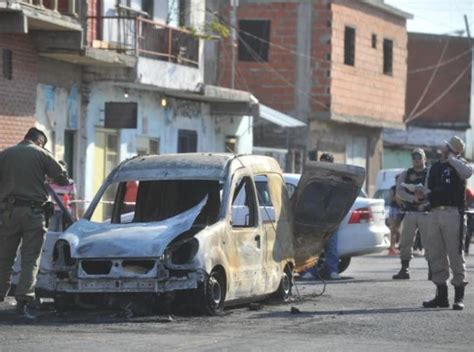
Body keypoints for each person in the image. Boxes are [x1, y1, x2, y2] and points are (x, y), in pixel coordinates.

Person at [0, 128, 69, 319]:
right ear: (40, 141)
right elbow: (63, 179)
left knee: (4, 257)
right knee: (30, 258)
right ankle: (22, 303)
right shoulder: (42, 154)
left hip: (8, 212)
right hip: (33, 213)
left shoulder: (5, 154)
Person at [422, 136, 472, 310]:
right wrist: (421, 193)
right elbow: (428, 188)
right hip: (435, 213)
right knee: (436, 254)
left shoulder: (459, 164)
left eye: (446, 146)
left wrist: (452, 158)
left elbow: (468, 173)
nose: (442, 148)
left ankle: (459, 297)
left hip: (453, 214)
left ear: (451, 149)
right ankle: (441, 296)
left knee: (455, 255)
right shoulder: (435, 167)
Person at [392, 148, 430, 280]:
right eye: (414, 158)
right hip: (410, 211)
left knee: (429, 242)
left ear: (424, 159)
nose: (416, 160)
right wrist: (413, 198)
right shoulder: (406, 173)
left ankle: (433, 269)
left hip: (426, 212)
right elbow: (399, 191)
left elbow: (433, 189)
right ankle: (404, 269)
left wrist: (424, 195)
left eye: (419, 158)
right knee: (406, 241)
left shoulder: (430, 172)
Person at [48, 161, 77, 232]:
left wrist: (75, 215)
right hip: (54, 212)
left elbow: (74, 201)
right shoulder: (51, 183)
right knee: (52, 232)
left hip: (66, 212)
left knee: (64, 232)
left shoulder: (70, 184)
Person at [387, 174, 403, 255]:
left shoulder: (403, 188)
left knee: (398, 230)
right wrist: (398, 199)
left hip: (401, 209)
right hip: (395, 209)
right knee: (393, 229)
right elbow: (391, 198)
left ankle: (395, 246)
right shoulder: (394, 188)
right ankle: (391, 247)